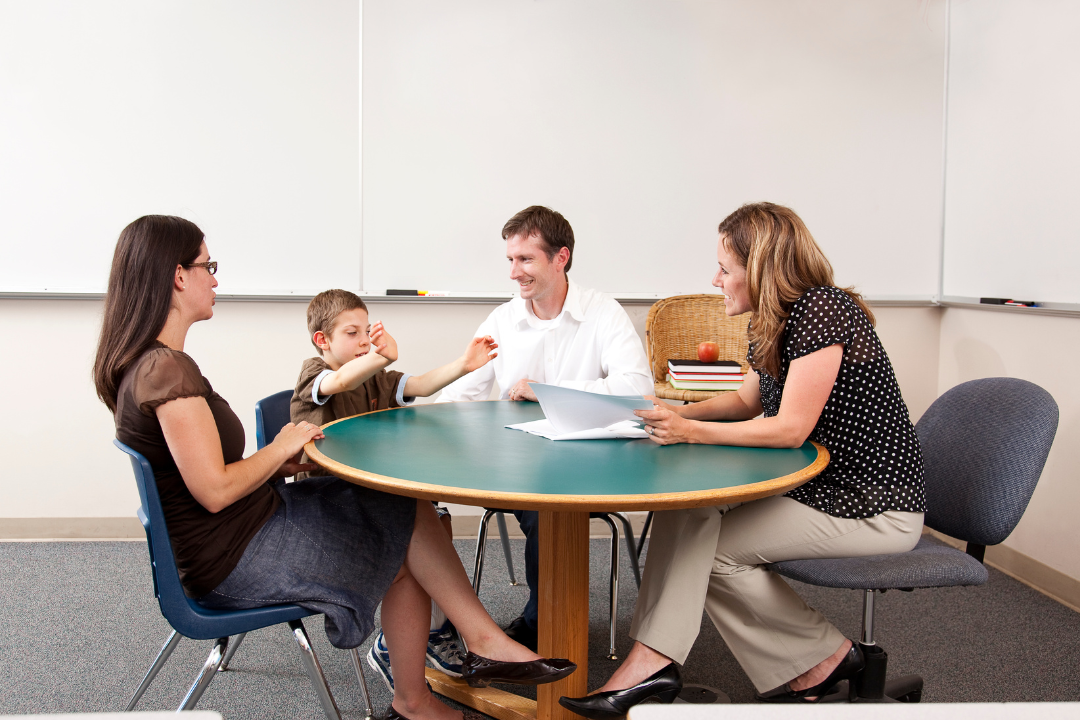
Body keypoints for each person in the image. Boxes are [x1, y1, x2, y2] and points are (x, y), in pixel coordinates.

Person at [93, 215, 576, 720]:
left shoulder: (152, 364)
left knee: (401, 510)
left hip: (241, 525)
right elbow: (214, 490)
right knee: (400, 530)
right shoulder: (165, 370)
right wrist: (280, 449)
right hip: (232, 557)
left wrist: (281, 460)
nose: (215, 278)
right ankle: (461, 658)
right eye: (207, 265)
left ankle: (446, 671)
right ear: (177, 276)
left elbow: (205, 475)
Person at [559, 202, 926, 718]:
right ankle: (808, 662)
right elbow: (745, 402)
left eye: (725, 269)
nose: (716, 279)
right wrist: (676, 410)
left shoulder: (825, 310)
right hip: (814, 489)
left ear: (760, 269)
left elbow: (790, 426)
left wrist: (690, 432)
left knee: (711, 553)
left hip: (871, 504)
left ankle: (814, 658)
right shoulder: (771, 319)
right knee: (688, 511)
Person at [436, 205, 653, 651]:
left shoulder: (603, 313)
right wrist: (423, 427)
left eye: (526, 260)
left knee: (546, 508)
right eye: (511, 260)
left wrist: (549, 389)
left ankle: (542, 626)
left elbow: (638, 390)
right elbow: (464, 392)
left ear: (561, 258)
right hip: (521, 466)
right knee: (538, 505)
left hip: (597, 464)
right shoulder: (501, 320)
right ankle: (531, 623)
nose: (514, 272)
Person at [290, 288, 498, 688]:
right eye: (352, 333)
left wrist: (465, 365)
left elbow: (418, 385)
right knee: (412, 525)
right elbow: (337, 382)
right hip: (328, 505)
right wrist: (378, 357)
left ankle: (432, 630)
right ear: (323, 340)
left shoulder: (374, 378)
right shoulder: (313, 374)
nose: (365, 340)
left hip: (370, 493)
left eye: (367, 331)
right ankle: (399, 642)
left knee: (435, 514)